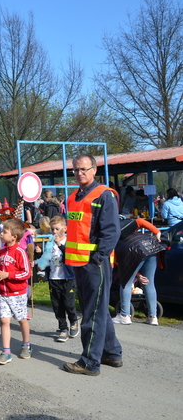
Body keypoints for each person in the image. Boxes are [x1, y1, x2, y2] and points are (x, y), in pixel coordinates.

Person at [63, 154, 122, 376]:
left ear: (94, 170)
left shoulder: (104, 195)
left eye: (84, 169)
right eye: (76, 170)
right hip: (79, 262)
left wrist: (98, 258)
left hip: (95, 263)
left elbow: (111, 232)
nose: (79, 173)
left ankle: (89, 362)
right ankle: (112, 353)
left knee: (92, 313)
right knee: (98, 309)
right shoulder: (73, 197)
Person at [0, 218, 32, 365]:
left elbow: (26, 273)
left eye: (4, 232)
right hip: (2, 293)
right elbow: (0, 270)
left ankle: (26, 344)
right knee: (4, 320)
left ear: (14, 236)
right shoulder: (1, 252)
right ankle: (6, 351)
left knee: (22, 319)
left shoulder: (20, 252)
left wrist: (8, 275)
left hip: (17, 293)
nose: (1, 234)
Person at [112, 218, 164, 326]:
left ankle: (124, 315)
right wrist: (157, 232)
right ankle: (153, 317)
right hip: (151, 246)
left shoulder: (109, 236)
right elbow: (140, 221)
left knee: (125, 283)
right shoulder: (126, 225)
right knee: (149, 282)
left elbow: (120, 263)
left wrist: (137, 275)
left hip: (133, 250)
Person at [43, 216, 79, 342]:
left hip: (67, 278)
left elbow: (70, 256)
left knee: (68, 303)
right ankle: (63, 328)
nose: (54, 232)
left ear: (65, 229)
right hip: (54, 277)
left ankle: (73, 321)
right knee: (57, 305)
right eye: (52, 229)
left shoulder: (69, 242)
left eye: (57, 229)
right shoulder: (49, 243)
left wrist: (59, 245)